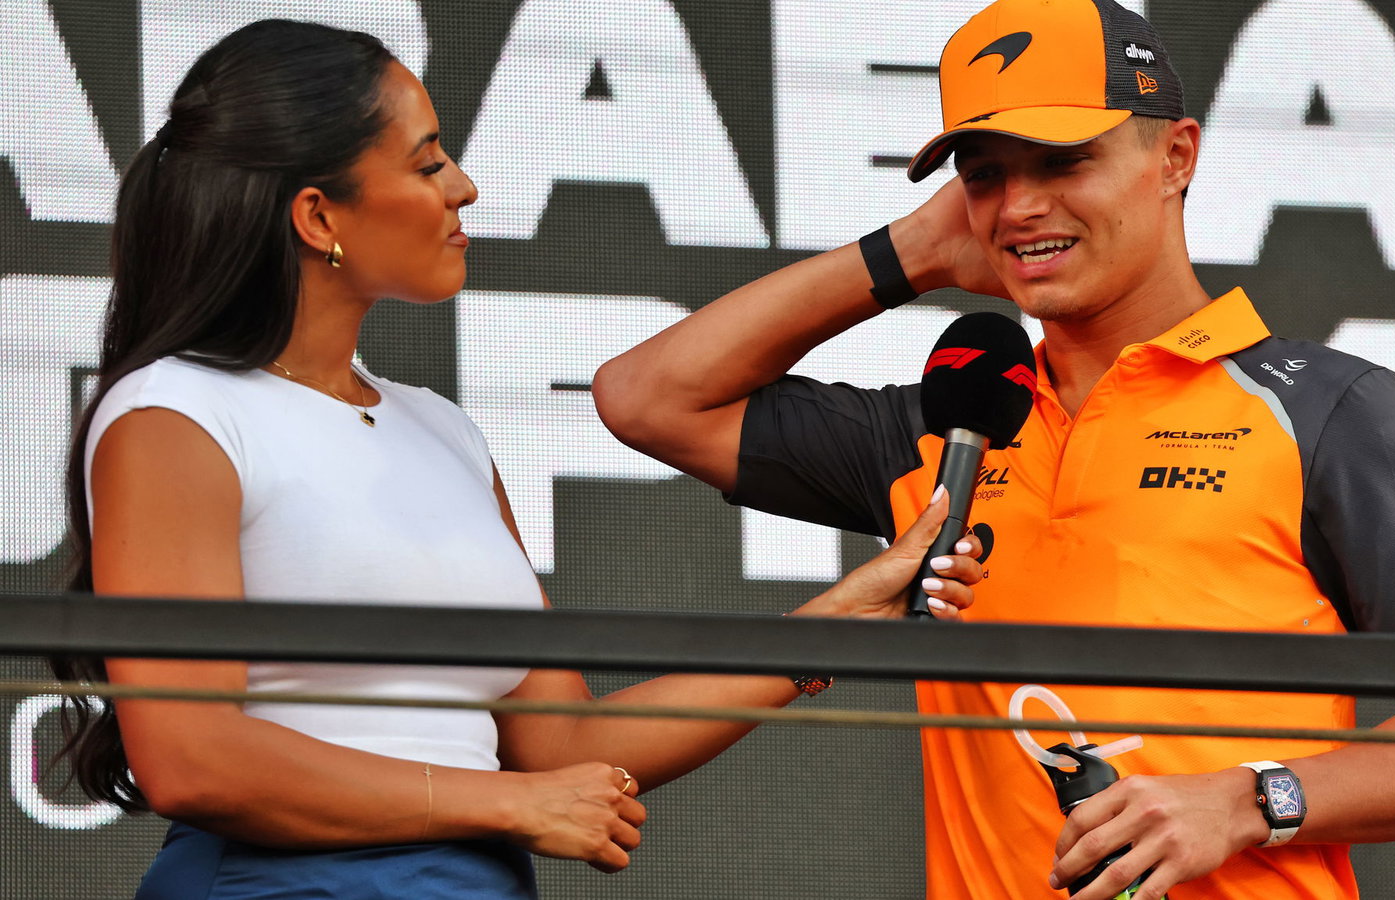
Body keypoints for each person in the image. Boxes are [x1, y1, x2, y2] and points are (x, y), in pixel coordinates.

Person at [593, 0, 1395, 897]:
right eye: (984, 176)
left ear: (1176, 156)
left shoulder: (1326, 407)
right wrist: (910, 254)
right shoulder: (946, 432)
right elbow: (646, 399)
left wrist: (1248, 801)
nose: (1019, 207)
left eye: (1062, 161)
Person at [50, 19, 984, 900]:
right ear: (318, 215)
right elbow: (191, 758)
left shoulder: (442, 430)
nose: (463, 187)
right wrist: (504, 805)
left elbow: (567, 745)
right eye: (427, 163)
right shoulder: (174, 413)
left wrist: (839, 618)